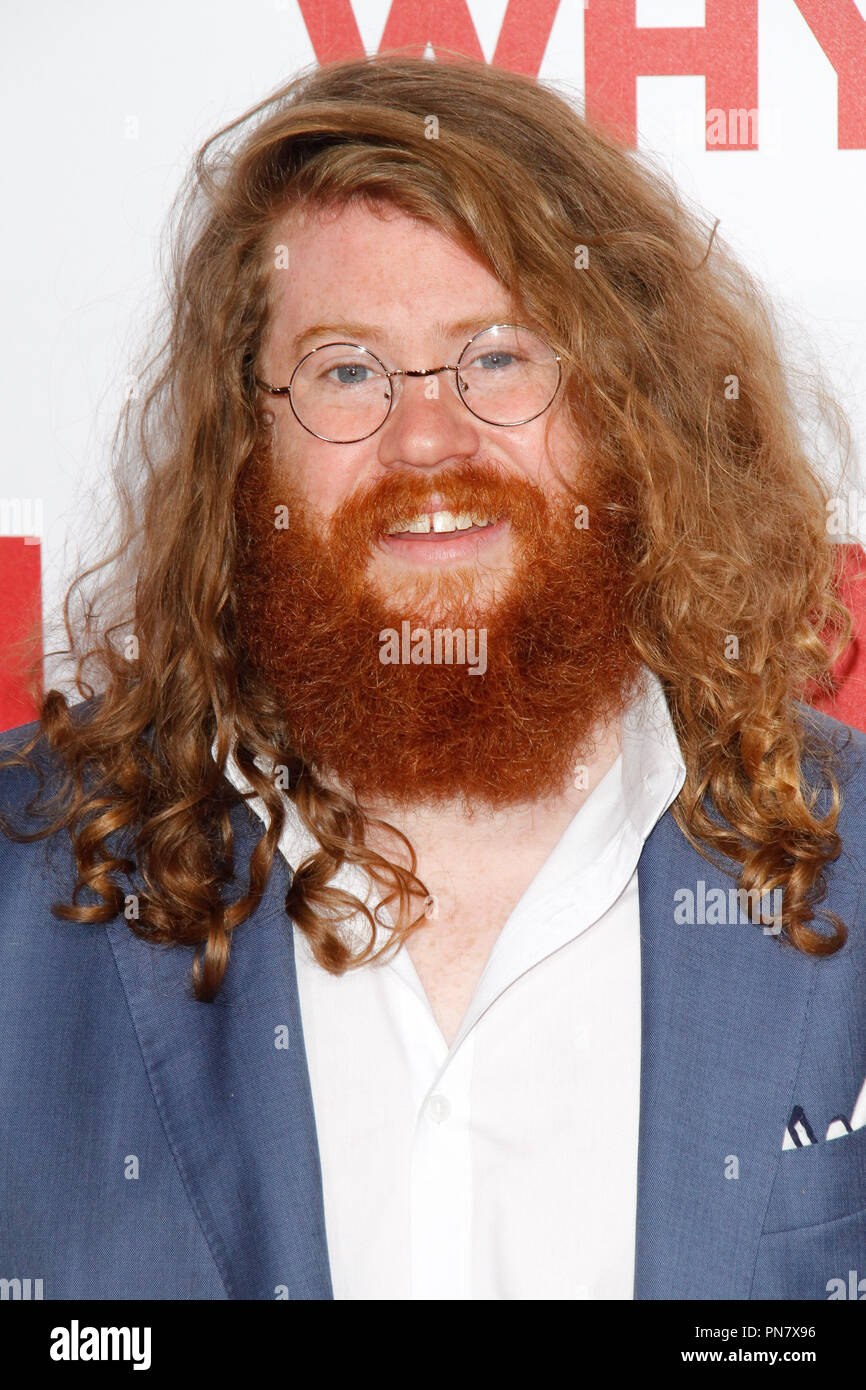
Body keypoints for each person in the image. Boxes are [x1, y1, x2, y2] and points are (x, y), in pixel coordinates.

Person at [1, 53, 864, 1303]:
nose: (428, 437)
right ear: (249, 448)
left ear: (628, 407)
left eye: (499, 357)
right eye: (346, 369)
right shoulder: (26, 893)